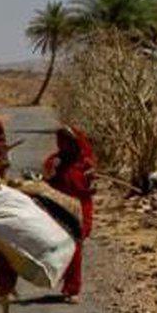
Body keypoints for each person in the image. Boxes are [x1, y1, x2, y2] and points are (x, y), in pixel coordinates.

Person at [43, 126, 96, 301]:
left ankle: (73, 289)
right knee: (65, 247)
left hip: (80, 210)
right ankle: (68, 284)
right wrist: (51, 170)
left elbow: (90, 188)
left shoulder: (85, 161)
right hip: (60, 209)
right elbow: (46, 180)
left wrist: (90, 178)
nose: (62, 144)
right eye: (60, 141)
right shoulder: (55, 160)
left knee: (76, 247)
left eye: (66, 141)